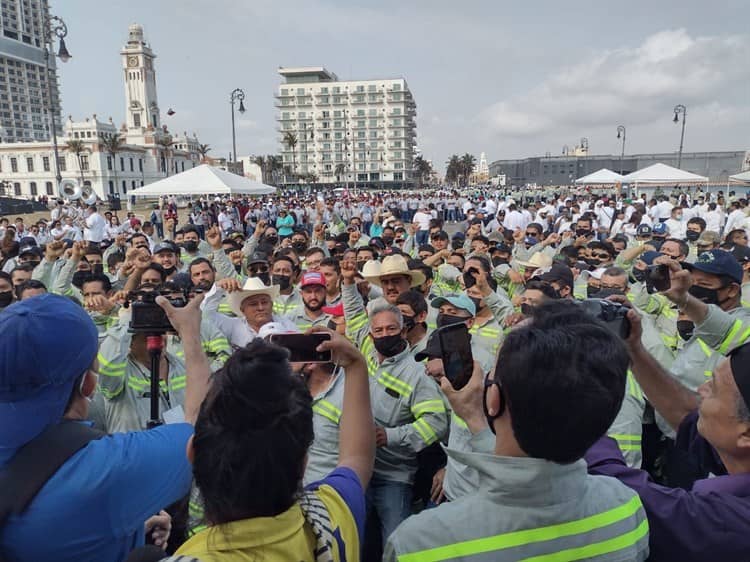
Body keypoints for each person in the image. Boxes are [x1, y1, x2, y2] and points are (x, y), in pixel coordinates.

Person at [385, 302, 649, 561]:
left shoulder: (420, 542)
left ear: (493, 398)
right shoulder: (625, 506)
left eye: (491, 377)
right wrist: (475, 417)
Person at [0, 293, 210, 561]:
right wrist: (190, 333)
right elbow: (196, 422)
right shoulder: (110, 467)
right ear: (88, 384)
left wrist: (126, 532)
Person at [173, 330, 374, 561]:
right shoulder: (328, 516)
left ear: (193, 453)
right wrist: (356, 365)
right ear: (303, 463)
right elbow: (357, 458)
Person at [586, 310, 750, 561]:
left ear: (746, 434)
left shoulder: (732, 527)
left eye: (714, 388)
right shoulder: (741, 451)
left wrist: (572, 414)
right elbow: (685, 413)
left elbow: (635, 497)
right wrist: (634, 350)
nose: (702, 389)